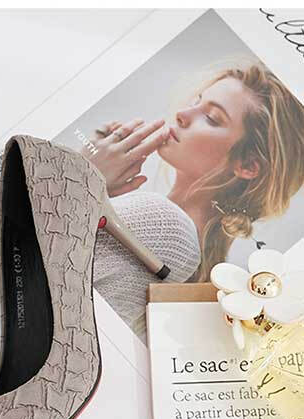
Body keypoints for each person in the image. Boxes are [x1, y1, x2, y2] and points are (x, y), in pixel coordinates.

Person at [80, 63, 304, 338]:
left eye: (211, 118)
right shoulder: (197, 270)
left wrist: (81, 177)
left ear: (247, 165)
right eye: (197, 101)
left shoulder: (165, 227)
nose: (182, 114)